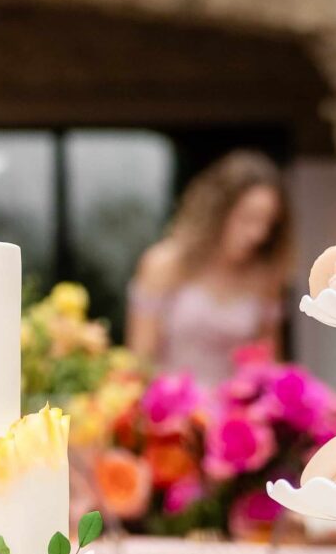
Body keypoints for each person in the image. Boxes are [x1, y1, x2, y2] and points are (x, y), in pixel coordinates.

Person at [125, 149, 292, 384]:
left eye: (268, 223)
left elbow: (269, 365)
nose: (258, 234)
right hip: (173, 413)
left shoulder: (265, 277)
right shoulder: (164, 264)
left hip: (238, 415)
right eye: (248, 218)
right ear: (218, 211)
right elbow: (139, 362)